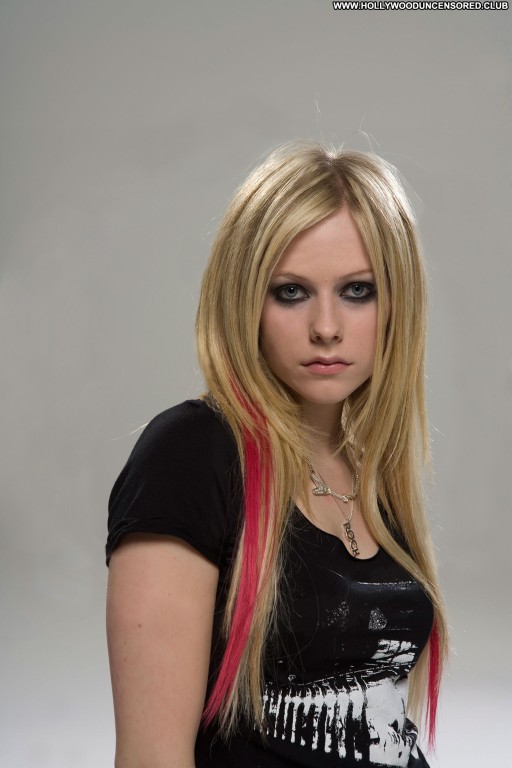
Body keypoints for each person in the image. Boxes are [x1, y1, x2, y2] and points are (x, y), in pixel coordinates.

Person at [105, 141, 448, 768]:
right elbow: (152, 757)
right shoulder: (191, 455)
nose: (326, 327)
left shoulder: (366, 471)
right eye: (291, 292)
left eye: (358, 290)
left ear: (398, 303)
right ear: (245, 301)